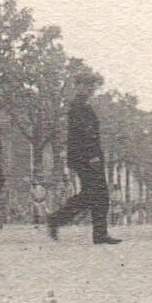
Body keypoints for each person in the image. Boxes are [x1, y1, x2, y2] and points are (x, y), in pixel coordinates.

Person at [46, 72, 122, 245]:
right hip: (87, 157)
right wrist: (92, 156)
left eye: (92, 86)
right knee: (96, 194)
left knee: (96, 194)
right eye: (87, 86)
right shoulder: (78, 108)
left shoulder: (81, 107)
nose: (90, 90)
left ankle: (98, 233)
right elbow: (85, 135)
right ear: (78, 86)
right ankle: (58, 219)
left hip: (86, 156)